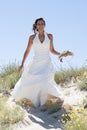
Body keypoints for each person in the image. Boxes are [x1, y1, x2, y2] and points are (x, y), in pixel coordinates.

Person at [11, 17, 65, 108]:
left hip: (46, 63)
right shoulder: (32, 38)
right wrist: (22, 64)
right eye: (39, 24)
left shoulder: (50, 36)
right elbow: (27, 51)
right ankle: (34, 101)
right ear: (36, 26)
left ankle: (44, 103)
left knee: (45, 81)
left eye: (42, 24)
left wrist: (61, 54)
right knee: (30, 82)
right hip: (35, 62)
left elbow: (52, 50)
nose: (41, 25)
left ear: (45, 25)